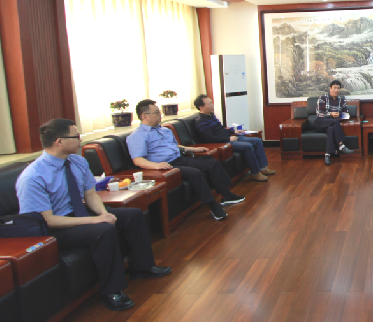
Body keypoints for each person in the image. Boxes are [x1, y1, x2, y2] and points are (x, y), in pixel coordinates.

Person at [16, 119, 171, 311]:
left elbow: (90, 195)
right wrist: (96, 220)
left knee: (132, 215)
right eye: (76, 136)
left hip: (80, 213)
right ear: (59, 142)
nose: (80, 140)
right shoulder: (33, 177)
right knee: (103, 230)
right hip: (55, 227)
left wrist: (104, 213)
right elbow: (47, 220)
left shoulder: (78, 162)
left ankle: (142, 267)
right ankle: (111, 291)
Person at [127, 99, 244, 221]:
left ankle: (227, 195)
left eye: (159, 111)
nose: (160, 114)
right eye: (156, 112)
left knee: (213, 163)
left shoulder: (164, 130)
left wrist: (192, 149)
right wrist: (157, 166)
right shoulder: (137, 136)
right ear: (144, 116)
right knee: (195, 173)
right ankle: (213, 205)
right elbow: (138, 160)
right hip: (166, 166)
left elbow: (174, 146)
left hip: (179, 158)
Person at [193, 94, 275, 182]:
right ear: (201, 107)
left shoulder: (211, 115)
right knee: (247, 146)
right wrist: (228, 139)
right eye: (209, 104)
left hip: (228, 138)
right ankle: (255, 173)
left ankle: (262, 168)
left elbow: (221, 129)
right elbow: (210, 138)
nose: (212, 105)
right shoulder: (200, 121)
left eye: (211, 103)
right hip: (222, 143)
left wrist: (233, 131)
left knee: (257, 141)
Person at [315, 80, 355, 165]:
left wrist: (339, 115)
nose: (336, 90)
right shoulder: (322, 98)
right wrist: (330, 114)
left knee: (331, 129)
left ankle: (327, 155)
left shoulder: (341, 100)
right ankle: (341, 145)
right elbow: (319, 113)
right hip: (321, 122)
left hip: (332, 124)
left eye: (338, 88)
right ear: (330, 88)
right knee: (335, 121)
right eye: (334, 88)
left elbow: (347, 115)